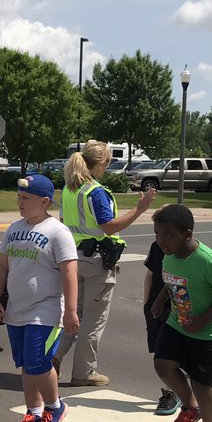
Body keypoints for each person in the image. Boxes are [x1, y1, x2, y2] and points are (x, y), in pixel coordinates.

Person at [54, 140, 156, 387]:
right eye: (108, 163)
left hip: (73, 258)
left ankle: (52, 361)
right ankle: (84, 372)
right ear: (102, 163)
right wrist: (139, 210)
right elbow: (109, 227)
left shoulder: (70, 189)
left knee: (73, 315)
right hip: (96, 261)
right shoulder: (95, 192)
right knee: (93, 319)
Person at [0, 174, 79, 422]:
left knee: (38, 361)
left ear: (44, 202)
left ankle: (55, 407)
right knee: (26, 364)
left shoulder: (57, 232)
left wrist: (71, 311)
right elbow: (1, 266)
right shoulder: (13, 229)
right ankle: (34, 411)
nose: (20, 202)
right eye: (19, 197)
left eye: (26, 198)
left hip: (46, 310)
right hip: (17, 310)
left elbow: (70, 272)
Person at [148, 205, 212, 422]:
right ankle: (190, 407)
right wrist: (160, 300)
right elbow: (171, 278)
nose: (161, 240)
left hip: (210, 330)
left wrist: (202, 321)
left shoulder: (206, 260)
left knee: (201, 383)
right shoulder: (168, 253)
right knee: (163, 365)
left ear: (187, 234)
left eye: (168, 234)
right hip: (179, 321)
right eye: (157, 234)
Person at [143, 238, 181, 415]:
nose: (161, 236)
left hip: (176, 308)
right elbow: (150, 273)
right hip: (155, 307)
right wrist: (146, 302)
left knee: (169, 353)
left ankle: (173, 392)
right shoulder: (156, 246)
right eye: (157, 232)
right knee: (159, 352)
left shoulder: (187, 251)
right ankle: (173, 389)